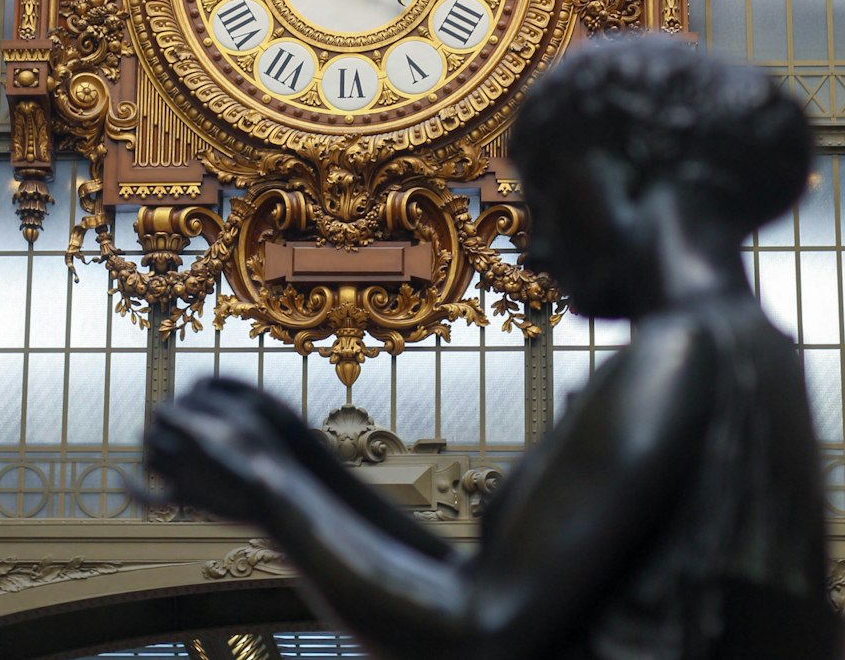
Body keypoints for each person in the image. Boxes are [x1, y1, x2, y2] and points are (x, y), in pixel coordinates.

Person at [144, 36, 842, 659]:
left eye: (550, 198)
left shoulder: (680, 357)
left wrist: (267, 489)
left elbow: (484, 629)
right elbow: (491, 587)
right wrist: (301, 461)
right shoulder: (748, 353)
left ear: (628, 166)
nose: (535, 250)